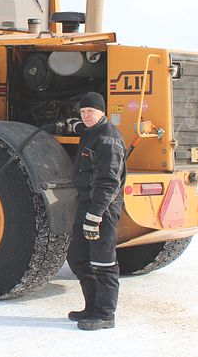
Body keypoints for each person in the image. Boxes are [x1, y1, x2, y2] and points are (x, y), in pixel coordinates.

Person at [67, 92, 126, 331]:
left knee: (103, 262)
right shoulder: (91, 133)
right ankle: (91, 307)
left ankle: (105, 314)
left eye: (91, 111)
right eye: (82, 112)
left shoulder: (108, 139)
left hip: (103, 208)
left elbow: (109, 182)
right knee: (78, 257)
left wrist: (95, 215)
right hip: (86, 204)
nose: (86, 116)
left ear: (102, 111)